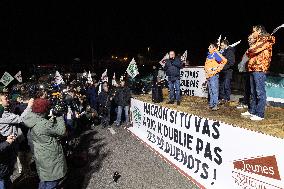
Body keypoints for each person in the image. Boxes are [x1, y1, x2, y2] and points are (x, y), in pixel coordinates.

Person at [22, 98, 67, 189]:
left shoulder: (31, 118)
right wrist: (58, 116)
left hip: (40, 154)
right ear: (44, 110)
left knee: (44, 179)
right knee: (52, 181)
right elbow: (62, 131)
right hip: (50, 156)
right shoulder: (43, 124)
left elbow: (45, 128)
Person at [241, 25, 275, 121]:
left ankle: (260, 114)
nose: (252, 33)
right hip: (253, 68)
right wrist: (250, 51)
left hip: (260, 68)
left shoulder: (266, 39)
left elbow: (252, 50)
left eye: (254, 31)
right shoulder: (258, 40)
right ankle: (252, 110)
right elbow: (250, 52)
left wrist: (249, 50)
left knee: (260, 92)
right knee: (253, 91)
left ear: (259, 31)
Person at [0, 92, 34, 188]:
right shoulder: (3, 116)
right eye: (5, 99)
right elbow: (21, 118)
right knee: (4, 175)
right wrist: (29, 106)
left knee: (8, 173)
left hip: (11, 144)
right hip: (6, 146)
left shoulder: (6, 111)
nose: (8, 100)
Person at [204, 43, 228, 110]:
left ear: (214, 48)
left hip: (213, 76)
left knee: (214, 91)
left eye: (210, 47)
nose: (208, 48)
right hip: (208, 75)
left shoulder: (215, 55)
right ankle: (211, 104)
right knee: (210, 91)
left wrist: (216, 70)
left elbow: (223, 61)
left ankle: (215, 105)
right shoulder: (209, 55)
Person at [237, 34, 256, 109]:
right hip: (246, 71)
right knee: (246, 88)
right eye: (248, 39)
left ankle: (251, 105)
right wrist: (241, 66)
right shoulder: (249, 49)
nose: (248, 40)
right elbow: (244, 60)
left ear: (255, 39)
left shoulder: (256, 48)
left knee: (252, 89)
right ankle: (246, 102)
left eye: (250, 39)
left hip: (252, 71)